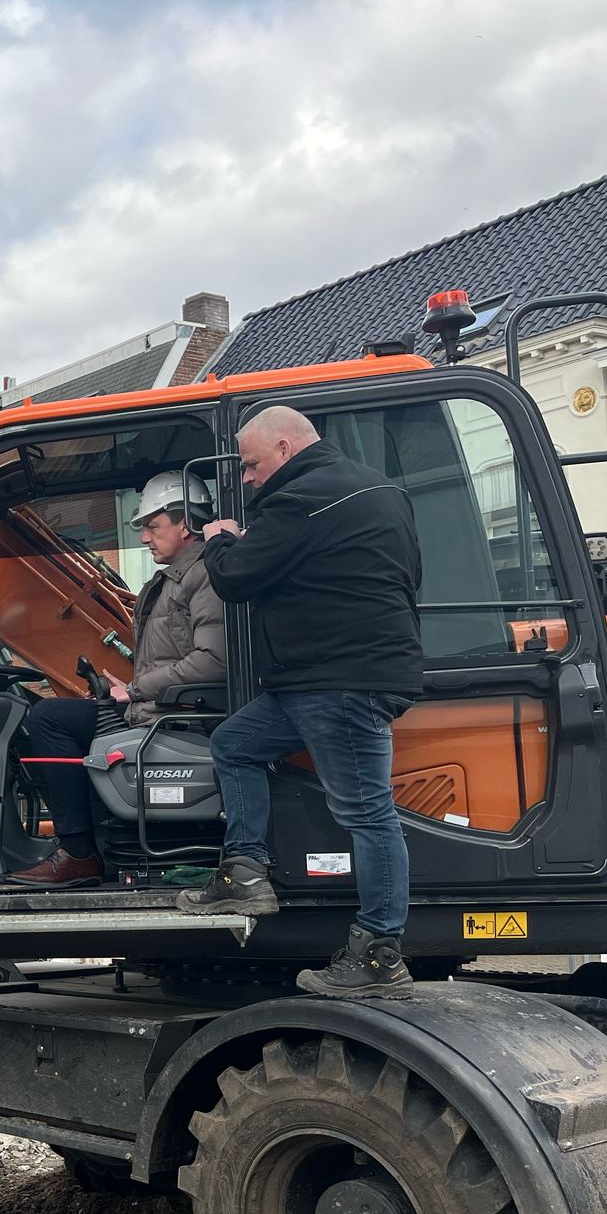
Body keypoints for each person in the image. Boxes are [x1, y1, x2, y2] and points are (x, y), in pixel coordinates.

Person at [177, 406, 423, 997]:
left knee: (368, 813)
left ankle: (379, 954)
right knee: (234, 744)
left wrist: (219, 539)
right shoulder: (383, 491)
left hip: (337, 681)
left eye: (251, 464)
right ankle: (244, 873)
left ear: (285, 448)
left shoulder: (297, 500)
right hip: (324, 679)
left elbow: (235, 578)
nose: (249, 477)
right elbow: (408, 574)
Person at [9, 471, 225, 887]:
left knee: (49, 720)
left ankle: (78, 853)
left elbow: (214, 661)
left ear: (185, 524)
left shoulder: (204, 576)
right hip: (159, 708)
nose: (145, 538)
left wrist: (137, 690)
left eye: (153, 526)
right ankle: (86, 848)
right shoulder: (172, 580)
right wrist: (124, 689)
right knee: (55, 717)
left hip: (181, 719)